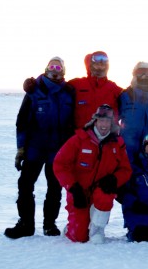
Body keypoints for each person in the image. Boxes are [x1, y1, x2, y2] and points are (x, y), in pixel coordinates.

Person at [5, 57, 75, 239]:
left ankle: (49, 225)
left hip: (58, 150)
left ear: (63, 71)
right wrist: (21, 149)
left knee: (55, 188)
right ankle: (26, 224)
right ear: (46, 69)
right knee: (25, 185)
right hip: (35, 147)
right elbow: (22, 122)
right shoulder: (34, 90)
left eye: (58, 67)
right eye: (52, 66)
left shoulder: (69, 92)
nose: (55, 69)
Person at [53, 104, 132, 243]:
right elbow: (60, 164)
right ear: (95, 121)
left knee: (105, 194)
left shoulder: (117, 143)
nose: (104, 124)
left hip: (100, 190)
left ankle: (97, 230)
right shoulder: (79, 139)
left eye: (107, 121)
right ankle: (73, 227)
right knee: (78, 237)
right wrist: (73, 187)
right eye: (101, 120)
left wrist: (114, 179)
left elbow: (126, 169)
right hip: (79, 192)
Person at [24, 51, 123, 130]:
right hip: (80, 142)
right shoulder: (76, 85)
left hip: (107, 142)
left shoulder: (115, 89)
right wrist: (35, 84)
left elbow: (133, 97)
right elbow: (54, 85)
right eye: (97, 63)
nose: (100, 65)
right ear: (90, 65)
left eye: (104, 63)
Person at [118, 61, 148, 163]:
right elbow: (112, 119)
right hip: (128, 149)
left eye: (147, 73)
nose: (144, 76)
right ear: (134, 75)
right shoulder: (126, 96)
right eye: (140, 72)